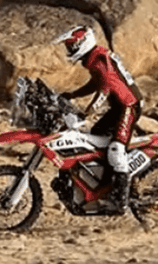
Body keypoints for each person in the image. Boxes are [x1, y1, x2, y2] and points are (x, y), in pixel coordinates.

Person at [53, 25, 143, 214]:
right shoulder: (93, 59)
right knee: (95, 139)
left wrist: (86, 113)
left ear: (82, 43)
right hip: (118, 107)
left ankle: (120, 200)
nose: (69, 50)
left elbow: (105, 89)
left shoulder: (100, 59)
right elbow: (95, 84)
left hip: (129, 106)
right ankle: (104, 187)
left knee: (116, 150)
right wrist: (72, 95)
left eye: (71, 46)